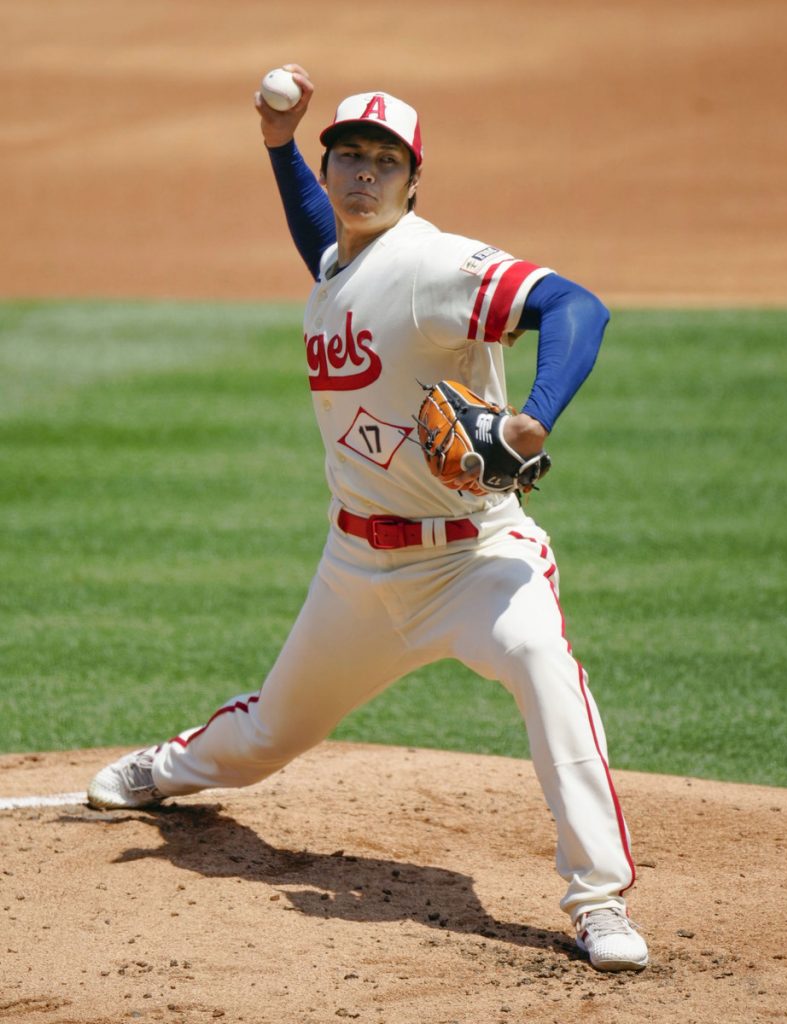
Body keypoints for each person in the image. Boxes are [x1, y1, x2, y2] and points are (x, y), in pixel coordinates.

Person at [88, 65, 649, 973]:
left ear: (413, 178)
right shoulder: (341, 257)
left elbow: (573, 305)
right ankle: (172, 768)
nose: (361, 174)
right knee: (272, 731)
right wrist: (277, 143)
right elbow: (327, 240)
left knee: (545, 668)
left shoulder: (434, 263)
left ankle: (598, 902)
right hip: (356, 569)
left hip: (477, 563)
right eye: (347, 154)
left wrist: (531, 416)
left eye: (383, 162)